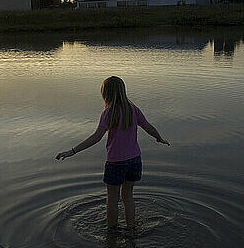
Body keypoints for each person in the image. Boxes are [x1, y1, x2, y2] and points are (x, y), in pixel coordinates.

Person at [55, 76, 169, 230]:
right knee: (128, 197)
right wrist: (159, 138)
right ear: (123, 91)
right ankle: (131, 229)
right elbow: (148, 127)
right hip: (135, 160)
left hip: (116, 162)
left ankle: (112, 231)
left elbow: (96, 137)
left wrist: (72, 151)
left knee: (112, 199)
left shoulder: (108, 113)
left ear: (105, 94)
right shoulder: (133, 110)